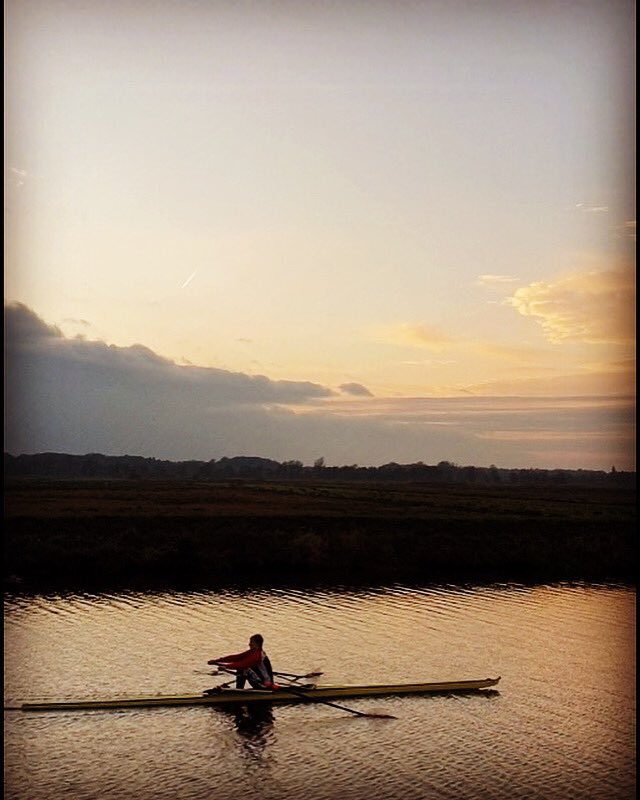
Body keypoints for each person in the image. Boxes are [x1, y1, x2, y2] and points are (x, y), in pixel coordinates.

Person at [208, 633, 278, 690]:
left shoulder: (257, 655)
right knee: (242, 667)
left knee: (244, 668)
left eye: (251, 642)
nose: (249, 644)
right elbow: (237, 657)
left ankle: (238, 691)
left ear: (257, 644)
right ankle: (239, 689)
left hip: (264, 685)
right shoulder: (252, 652)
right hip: (260, 681)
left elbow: (242, 665)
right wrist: (217, 661)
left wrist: (225, 667)